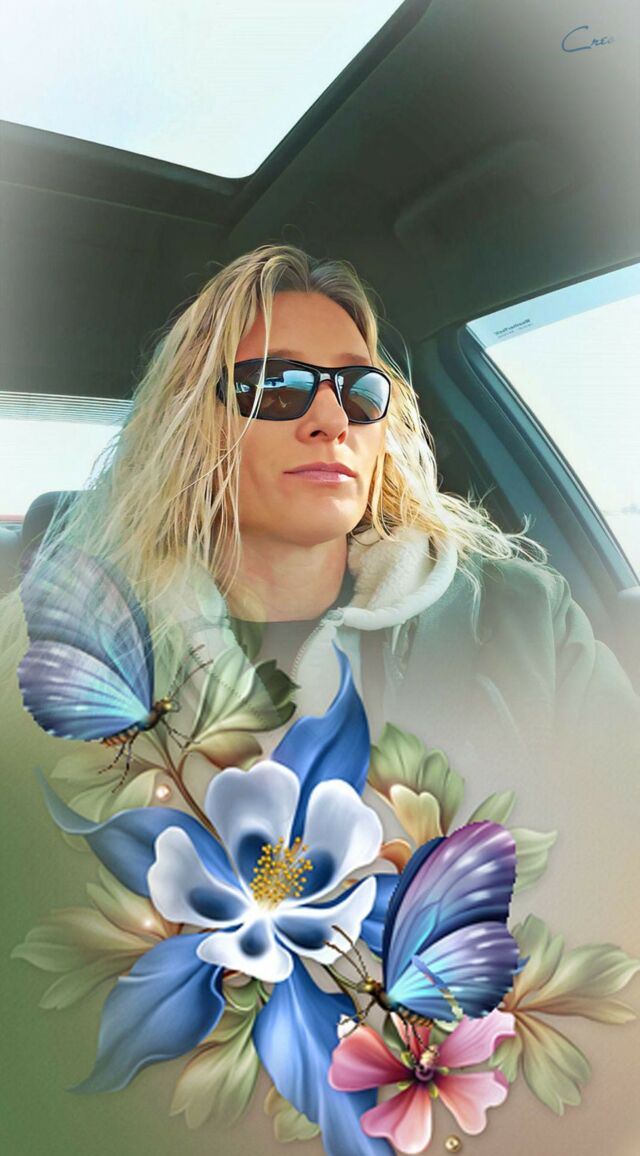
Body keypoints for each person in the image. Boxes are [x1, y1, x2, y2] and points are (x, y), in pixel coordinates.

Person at [1, 243, 639, 1156]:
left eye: (358, 390)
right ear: (191, 424)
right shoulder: (59, 657)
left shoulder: (524, 617)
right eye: (277, 386)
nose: (331, 418)